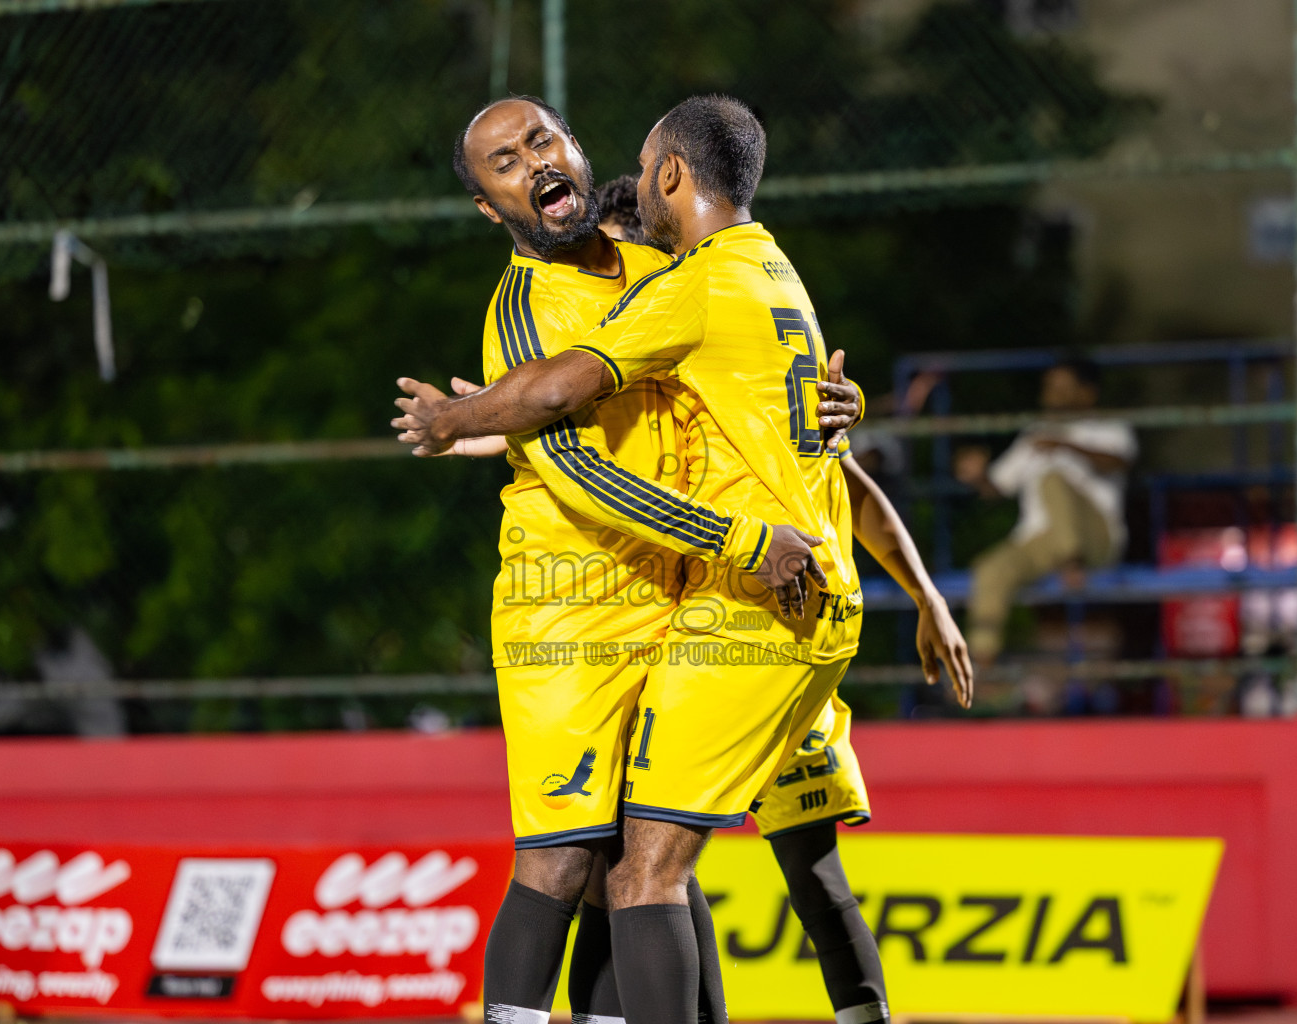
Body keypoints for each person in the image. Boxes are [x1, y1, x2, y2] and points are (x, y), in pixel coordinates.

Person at [397, 94, 971, 1024]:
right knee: (573, 862)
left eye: (543, 139)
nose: (534, 161)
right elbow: (576, 467)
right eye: (504, 161)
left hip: (709, 597)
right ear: (488, 206)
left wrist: (835, 405)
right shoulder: (525, 309)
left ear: (579, 151)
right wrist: (486, 419)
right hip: (578, 613)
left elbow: (756, 380)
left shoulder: (670, 264)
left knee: (661, 859)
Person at [590, 177, 970, 1024]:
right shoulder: (668, 368)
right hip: (725, 631)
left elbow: (848, 479)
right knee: (664, 862)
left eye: (628, 259)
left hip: (752, 625)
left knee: (679, 861)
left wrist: (929, 598)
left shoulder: (708, 340)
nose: (622, 278)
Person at [953, 358, 1136, 665]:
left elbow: (1119, 461)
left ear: (1087, 393)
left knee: (1053, 481)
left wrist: (1065, 445)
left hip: (1096, 539)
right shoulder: (1036, 434)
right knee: (989, 570)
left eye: (1062, 388)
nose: (1052, 395)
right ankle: (981, 669)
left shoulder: (1109, 429)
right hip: (1042, 542)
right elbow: (997, 487)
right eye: (1050, 387)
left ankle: (1071, 557)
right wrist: (978, 476)